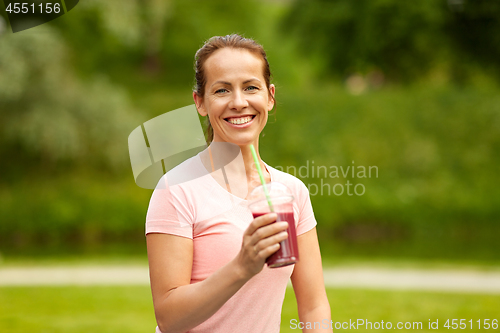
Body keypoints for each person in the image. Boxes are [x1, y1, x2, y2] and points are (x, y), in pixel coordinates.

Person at [145, 34, 332, 333]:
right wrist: (241, 267)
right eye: (221, 90)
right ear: (201, 102)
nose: (239, 102)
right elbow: (168, 318)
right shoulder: (176, 190)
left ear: (269, 96)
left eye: (250, 87)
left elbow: (313, 305)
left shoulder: (291, 192)